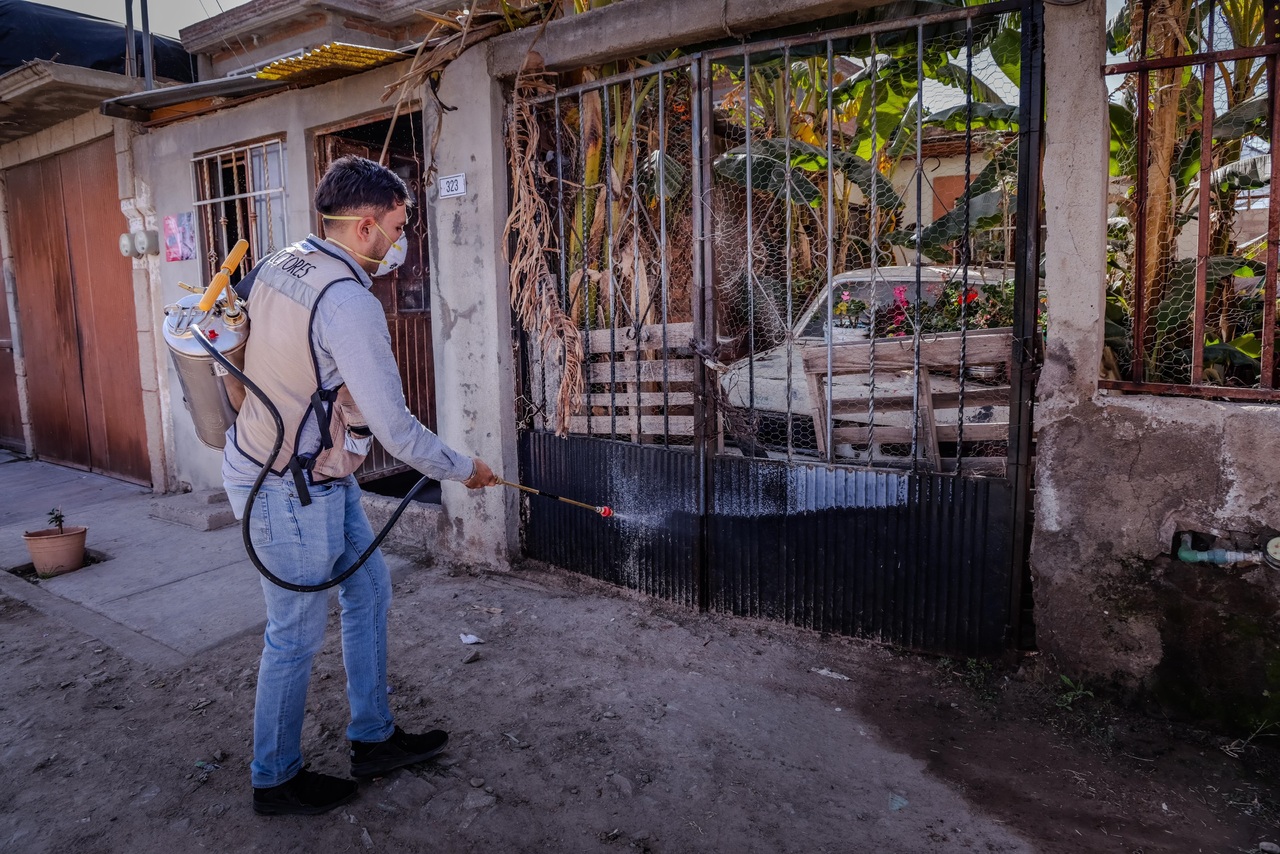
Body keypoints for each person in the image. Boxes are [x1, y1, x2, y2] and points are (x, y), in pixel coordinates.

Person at [222, 155, 499, 817]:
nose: (402, 240)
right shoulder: (348, 302)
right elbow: (396, 429)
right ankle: (274, 779)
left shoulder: (285, 260)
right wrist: (465, 469)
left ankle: (372, 736)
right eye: (399, 227)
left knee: (368, 587)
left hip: (317, 471)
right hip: (284, 488)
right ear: (367, 226)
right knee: (293, 635)